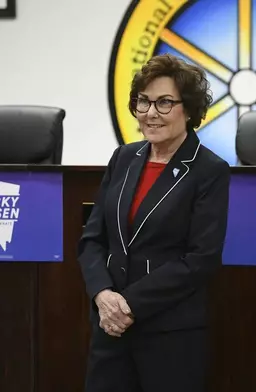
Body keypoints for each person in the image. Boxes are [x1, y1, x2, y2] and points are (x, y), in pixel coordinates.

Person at [77, 53, 230, 392]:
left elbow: (200, 259)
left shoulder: (208, 170)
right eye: (143, 102)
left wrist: (129, 304)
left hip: (169, 333)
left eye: (164, 103)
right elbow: (92, 239)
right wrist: (103, 295)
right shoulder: (123, 158)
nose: (150, 113)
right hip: (110, 328)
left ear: (188, 110)